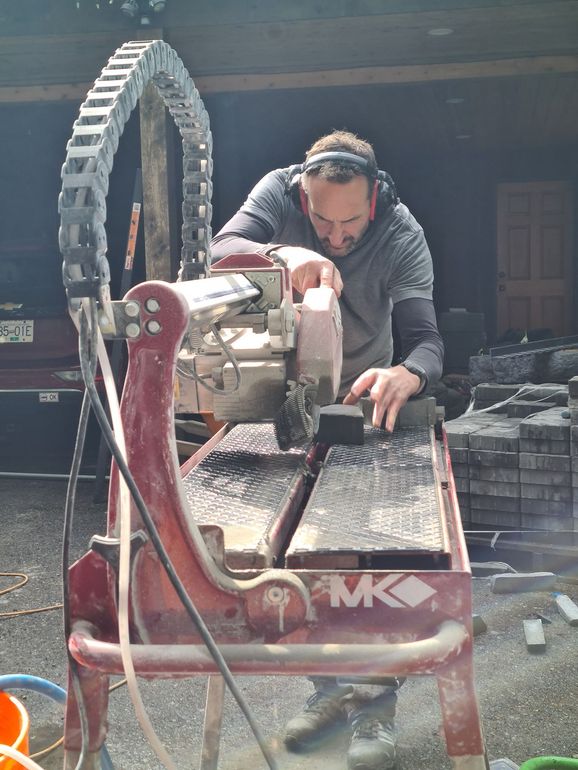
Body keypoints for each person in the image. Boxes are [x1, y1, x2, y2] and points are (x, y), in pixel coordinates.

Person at [211, 130, 444, 770]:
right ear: (301, 195)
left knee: (360, 553)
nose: (336, 235)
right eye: (322, 218)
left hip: (363, 400)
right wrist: (283, 251)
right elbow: (219, 252)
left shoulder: (400, 233)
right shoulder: (277, 196)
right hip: (282, 395)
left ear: (376, 201)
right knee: (301, 555)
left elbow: (427, 339)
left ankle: (376, 706)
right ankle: (327, 693)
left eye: (350, 221)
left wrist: (410, 375)